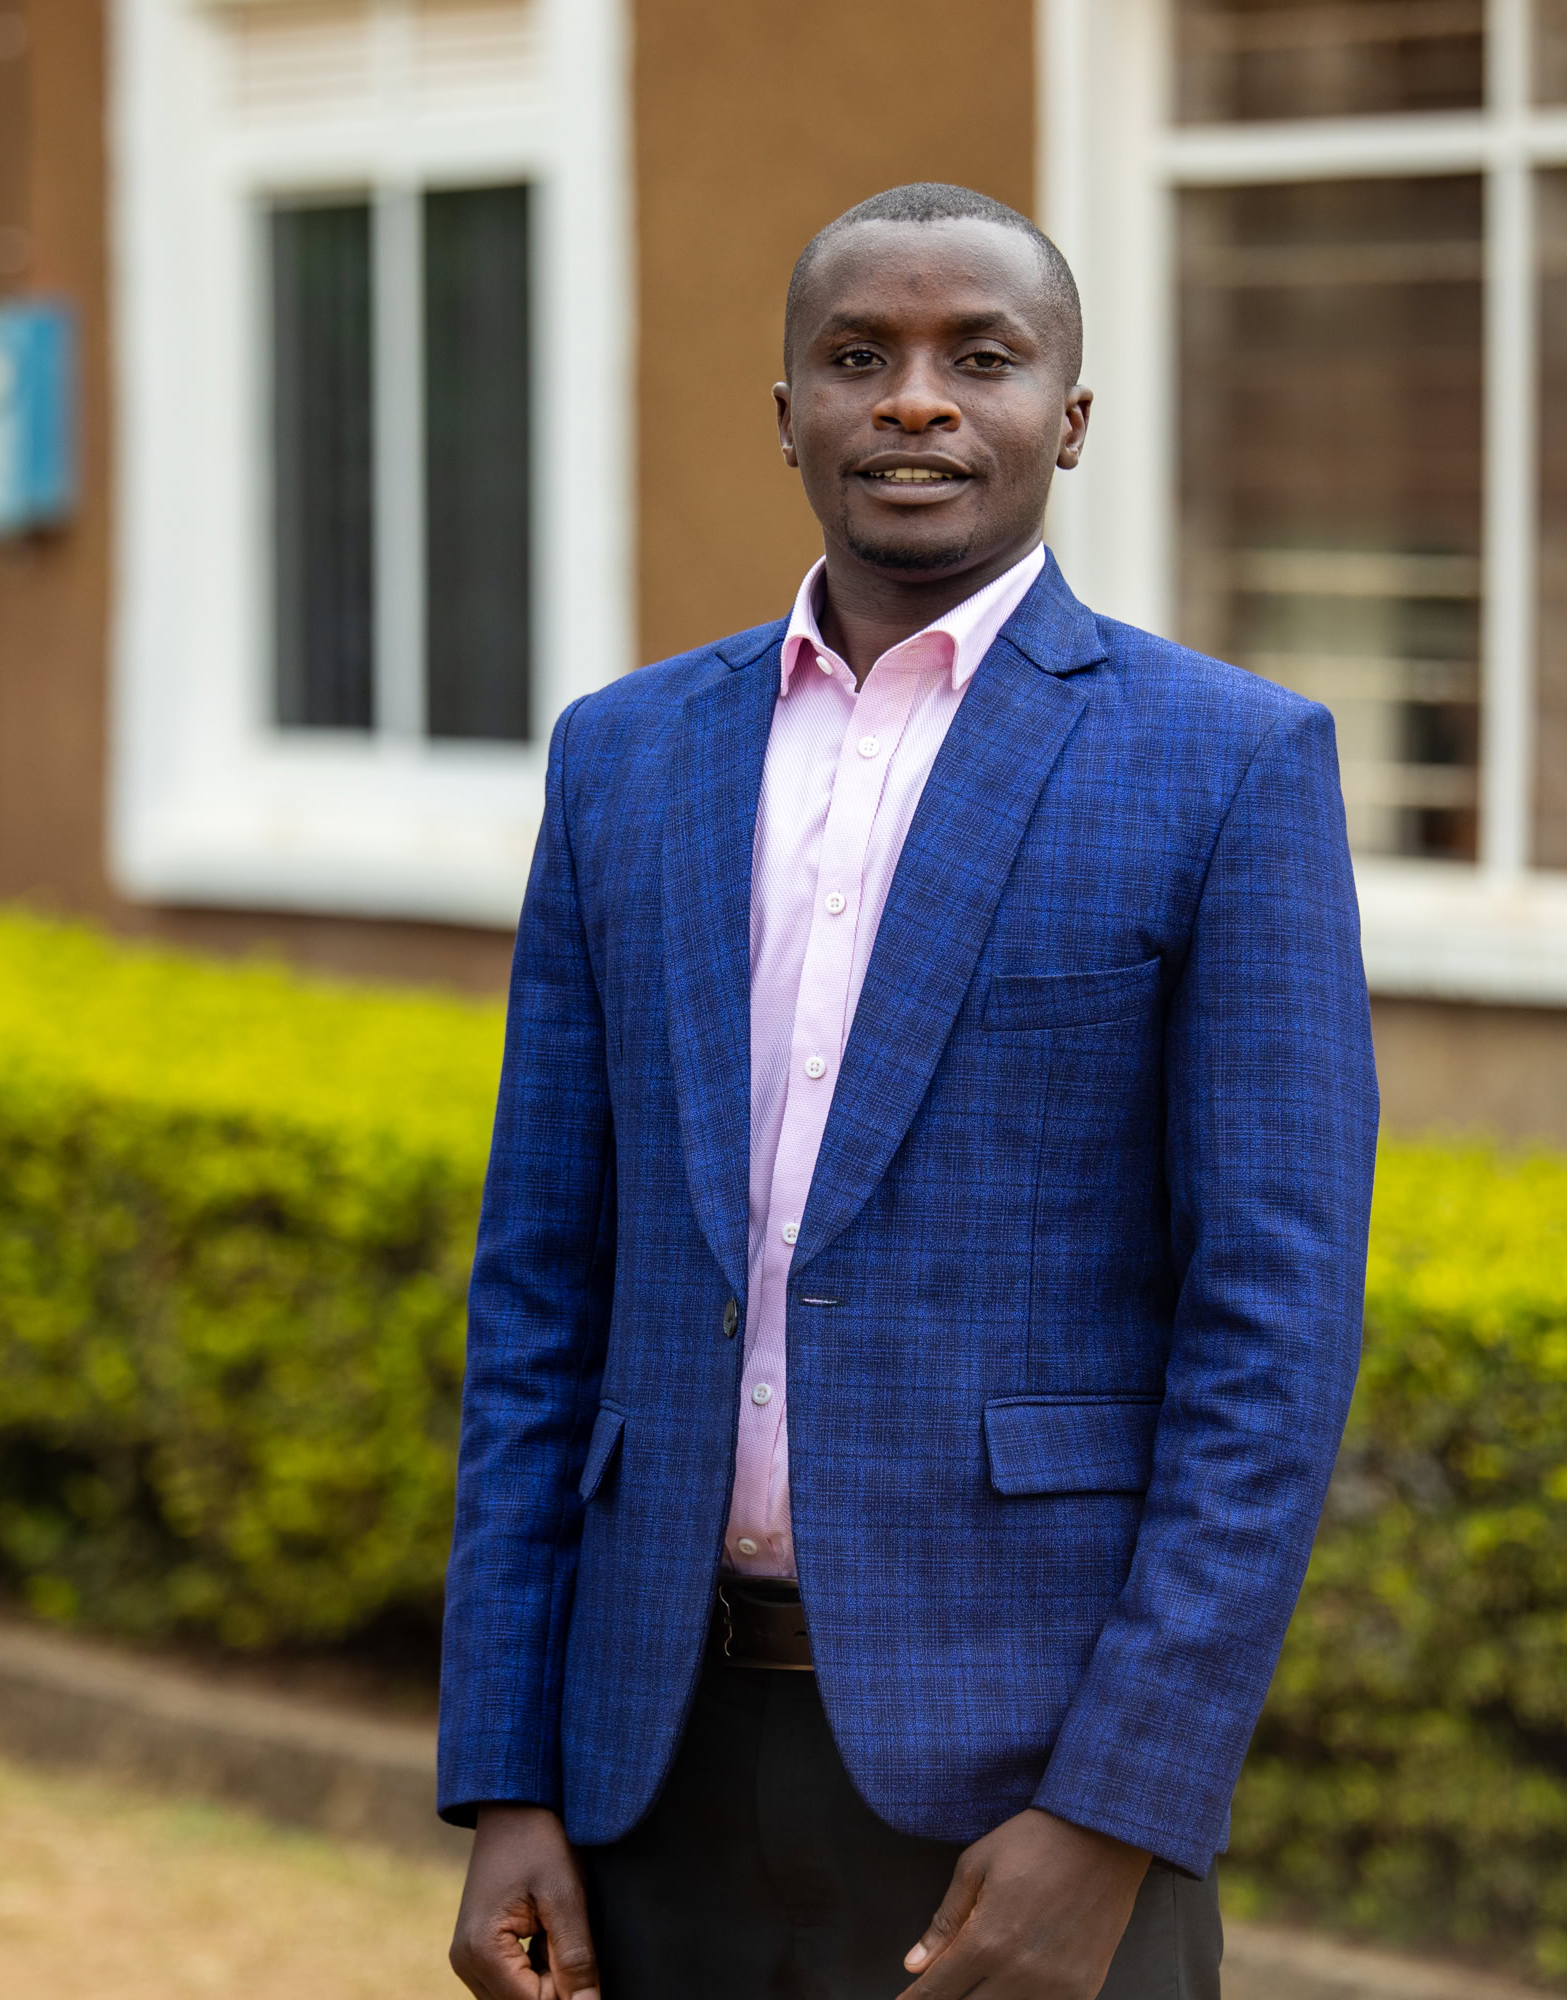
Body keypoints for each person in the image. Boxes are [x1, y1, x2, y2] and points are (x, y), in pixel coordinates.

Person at [439, 182, 1376, 2000]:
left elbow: (1272, 1335)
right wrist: (507, 1777)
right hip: (650, 1763)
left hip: (1024, 1787)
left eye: (983, 358)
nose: (917, 402)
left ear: (1071, 419)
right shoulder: (623, 758)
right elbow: (539, 1294)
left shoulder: (1227, 764)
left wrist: (1118, 1810)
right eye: (858, 357)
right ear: (782, 406)